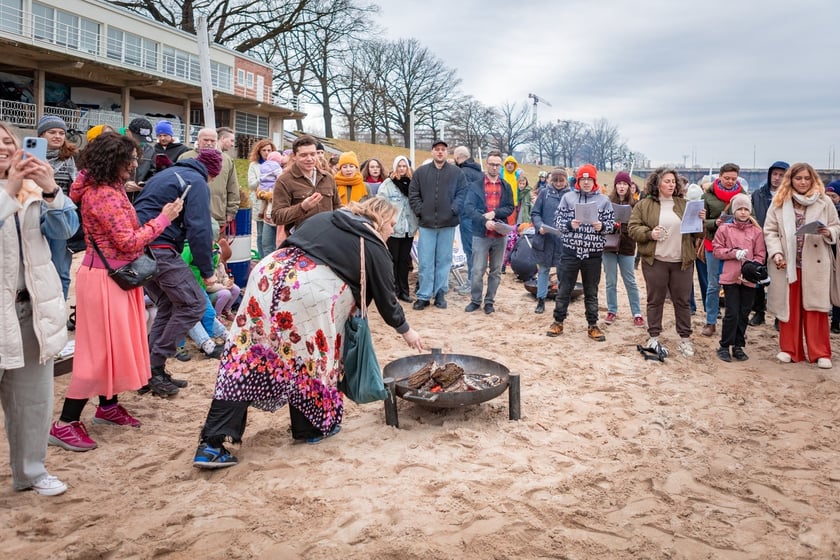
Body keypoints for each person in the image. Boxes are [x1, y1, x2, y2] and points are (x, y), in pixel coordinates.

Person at [192, 198, 424, 468]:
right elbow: (387, 300)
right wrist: (407, 331)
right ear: (380, 219)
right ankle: (310, 428)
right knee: (310, 364)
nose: (392, 231)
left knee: (244, 358)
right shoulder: (372, 243)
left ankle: (211, 443)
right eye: (391, 224)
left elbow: (290, 243)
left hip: (267, 275)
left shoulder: (325, 218)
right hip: (309, 292)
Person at [49, 132, 183, 452]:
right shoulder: (103, 194)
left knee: (112, 347)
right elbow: (128, 242)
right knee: (97, 352)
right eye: (131, 159)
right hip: (105, 279)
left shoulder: (110, 187)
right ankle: (65, 423)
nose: (136, 163)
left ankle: (108, 406)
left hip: (113, 277)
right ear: (114, 161)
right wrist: (164, 219)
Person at [1, 120, 76, 495]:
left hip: (31, 309)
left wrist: (50, 191)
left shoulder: (34, 188)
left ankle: (30, 472)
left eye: (7, 140)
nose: (3, 147)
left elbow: (67, 232)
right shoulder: (14, 189)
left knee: (33, 400)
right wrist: (9, 190)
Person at [134, 148, 222, 396]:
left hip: (140, 246)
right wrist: (207, 271)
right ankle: (154, 364)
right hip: (160, 246)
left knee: (169, 305)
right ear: (212, 174)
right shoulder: (196, 182)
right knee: (194, 304)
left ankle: (149, 371)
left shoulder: (166, 174)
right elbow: (200, 229)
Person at [764, 163, 840, 369]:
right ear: (791, 180)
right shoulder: (779, 202)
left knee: (816, 308)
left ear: (813, 179)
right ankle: (789, 349)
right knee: (789, 307)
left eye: (807, 178)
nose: (803, 182)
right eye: (799, 178)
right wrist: (776, 252)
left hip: (815, 262)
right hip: (788, 263)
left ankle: (820, 352)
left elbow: (836, 225)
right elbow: (769, 230)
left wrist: (829, 233)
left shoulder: (824, 202)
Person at [628, 166, 705, 358]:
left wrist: (701, 221)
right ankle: (653, 336)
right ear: (657, 183)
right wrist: (649, 233)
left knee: (683, 301)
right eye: (667, 181)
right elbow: (632, 228)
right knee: (655, 299)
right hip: (656, 261)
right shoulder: (644, 205)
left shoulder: (684, 204)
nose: (671, 184)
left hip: (682, 261)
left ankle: (685, 339)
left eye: (673, 181)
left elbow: (698, 233)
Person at [546, 164, 614, 341]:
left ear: (594, 181)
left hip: (593, 253)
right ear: (578, 181)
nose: (585, 182)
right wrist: (570, 225)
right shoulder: (568, 198)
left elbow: (611, 225)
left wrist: (602, 227)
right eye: (582, 179)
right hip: (570, 251)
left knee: (591, 291)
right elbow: (558, 221)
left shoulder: (604, 200)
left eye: (589, 179)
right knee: (564, 288)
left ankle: (592, 325)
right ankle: (558, 321)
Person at [408, 140, 466, 310]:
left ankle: (440, 293)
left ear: (446, 153)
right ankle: (424, 295)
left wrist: (454, 209)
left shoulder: (456, 173)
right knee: (425, 261)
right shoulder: (421, 172)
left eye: (443, 149)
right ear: (432, 152)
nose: (440, 152)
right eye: (437, 149)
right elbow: (414, 193)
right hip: (426, 225)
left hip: (447, 224)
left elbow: (462, 193)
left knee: (444, 260)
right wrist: (421, 210)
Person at [712, 194, 766, 362]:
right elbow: (717, 250)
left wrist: (752, 266)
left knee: (744, 313)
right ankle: (724, 345)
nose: (743, 212)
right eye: (740, 209)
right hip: (731, 277)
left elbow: (761, 254)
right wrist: (734, 253)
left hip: (748, 278)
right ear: (734, 211)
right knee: (732, 313)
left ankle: (738, 345)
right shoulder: (724, 229)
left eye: (746, 209)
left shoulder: (756, 231)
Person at [463, 150, 515, 315]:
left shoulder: (505, 186)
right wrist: (485, 221)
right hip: (481, 233)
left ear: (500, 165)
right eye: (491, 164)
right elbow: (469, 208)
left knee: (496, 270)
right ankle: (475, 300)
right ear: (486, 164)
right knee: (477, 269)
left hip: (500, 234)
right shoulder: (476, 185)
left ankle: (489, 301)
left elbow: (509, 207)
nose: (494, 167)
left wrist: (495, 214)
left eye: (497, 164)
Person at [37, 114, 79, 300]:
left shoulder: (71, 159)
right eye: (51, 132)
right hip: (32, 214)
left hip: (58, 216)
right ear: (41, 135)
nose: (57, 136)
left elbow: (76, 188)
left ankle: (60, 306)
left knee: (60, 267)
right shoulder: (29, 157)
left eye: (61, 133)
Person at [701, 163, 746, 337]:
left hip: (736, 247)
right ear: (719, 177)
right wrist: (714, 223)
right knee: (713, 285)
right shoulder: (707, 195)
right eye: (726, 178)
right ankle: (710, 322)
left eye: (733, 179)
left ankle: (732, 324)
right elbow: (700, 222)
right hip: (713, 244)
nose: (730, 181)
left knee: (734, 285)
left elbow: (752, 218)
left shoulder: (742, 195)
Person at [272, 134, 341, 233]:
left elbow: (337, 206)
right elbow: (277, 216)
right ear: (294, 156)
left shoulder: (328, 178)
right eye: (304, 155)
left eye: (313, 154)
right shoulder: (284, 180)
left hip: (327, 237)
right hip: (300, 240)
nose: (309, 159)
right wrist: (302, 207)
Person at [748, 161, 789, 327]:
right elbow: (752, 215)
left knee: (780, 280)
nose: (777, 178)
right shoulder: (758, 194)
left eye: (781, 175)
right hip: (759, 241)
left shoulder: (789, 196)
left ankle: (780, 315)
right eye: (775, 174)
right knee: (758, 277)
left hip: (782, 244)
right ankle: (759, 312)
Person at [178, 128, 239, 231]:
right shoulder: (185, 158)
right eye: (205, 140)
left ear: (217, 141)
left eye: (212, 141)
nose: (209, 143)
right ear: (198, 140)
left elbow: (233, 187)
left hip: (217, 216)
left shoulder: (226, 160)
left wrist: (231, 211)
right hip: (190, 217)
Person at [603, 171, 643, 326]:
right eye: (619, 184)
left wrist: (624, 226)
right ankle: (612, 310)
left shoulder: (634, 204)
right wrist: (611, 225)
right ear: (615, 185)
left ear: (629, 186)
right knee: (610, 280)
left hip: (627, 247)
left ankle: (637, 312)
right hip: (609, 246)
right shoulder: (607, 202)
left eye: (624, 184)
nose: (621, 186)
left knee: (630, 281)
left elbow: (637, 226)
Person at [377, 155, 418, 303]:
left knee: (404, 261)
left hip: (409, 228)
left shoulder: (412, 183)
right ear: (395, 168)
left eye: (404, 166)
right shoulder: (388, 184)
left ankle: (404, 290)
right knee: (392, 260)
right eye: (399, 166)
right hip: (394, 228)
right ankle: (393, 289)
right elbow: (381, 204)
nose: (402, 169)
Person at [530, 168, 570, 314]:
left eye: (561, 180)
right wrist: (539, 225)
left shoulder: (571, 195)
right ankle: (541, 300)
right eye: (556, 180)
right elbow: (535, 213)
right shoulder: (544, 193)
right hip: (545, 238)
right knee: (543, 270)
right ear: (551, 180)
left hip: (563, 240)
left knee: (563, 272)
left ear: (566, 180)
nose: (558, 183)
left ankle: (561, 302)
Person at [453, 146, 484, 287]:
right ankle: (476, 279)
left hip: (467, 216)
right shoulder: (479, 172)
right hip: (479, 215)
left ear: (458, 157)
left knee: (470, 250)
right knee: (477, 249)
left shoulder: (462, 172)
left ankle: (472, 281)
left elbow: (462, 195)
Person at [246, 138, 277, 258]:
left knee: (270, 233)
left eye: (269, 150)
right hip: (259, 202)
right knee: (260, 233)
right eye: (264, 150)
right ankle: (261, 257)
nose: (266, 152)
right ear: (259, 151)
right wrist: (264, 177)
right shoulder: (254, 165)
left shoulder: (276, 165)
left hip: (271, 202)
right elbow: (251, 185)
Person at [257, 151, 284, 256]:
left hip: (280, 217)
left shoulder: (287, 173)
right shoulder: (278, 170)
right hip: (268, 217)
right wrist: (263, 194)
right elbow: (258, 192)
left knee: (279, 247)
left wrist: (267, 195)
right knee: (266, 245)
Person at [501, 155, 523, 226]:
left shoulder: (517, 175)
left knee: (511, 224)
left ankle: (510, 236)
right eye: (508, 163)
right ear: (505, 164)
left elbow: (523, 187)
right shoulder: (501, 173)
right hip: (501, 204)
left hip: (513, 204)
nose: (510, 165)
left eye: (512, 163)